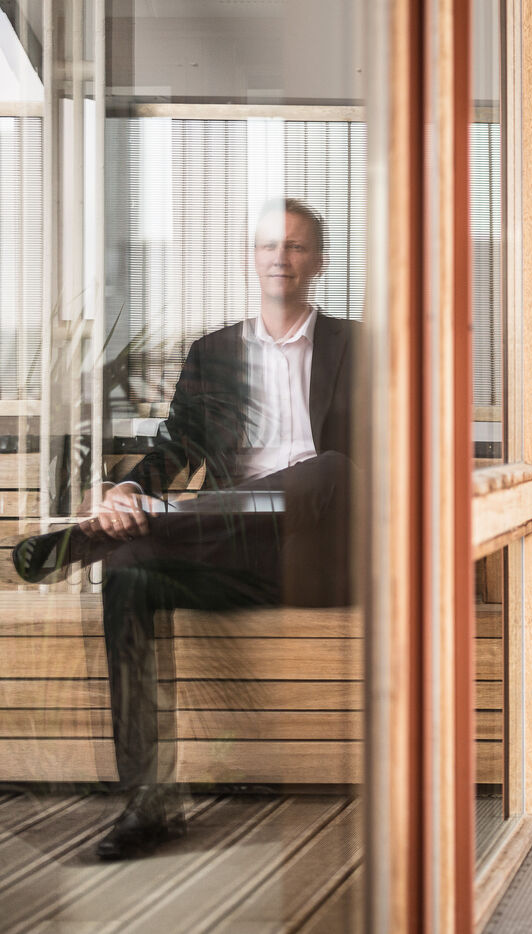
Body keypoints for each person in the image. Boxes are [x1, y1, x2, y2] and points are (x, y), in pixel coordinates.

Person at [16, 198, 359, 860]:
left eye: (294, 246)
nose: (280, 257)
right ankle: (149, 800)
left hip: (318, 552)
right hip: (233, 552)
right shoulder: (216, 351)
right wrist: (129, 490)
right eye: (269, 245)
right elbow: (176, 448)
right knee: (129, 568)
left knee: (331, 469)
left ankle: (93, 537)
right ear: (251, 258)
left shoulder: (361, 345)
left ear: (317, 261)